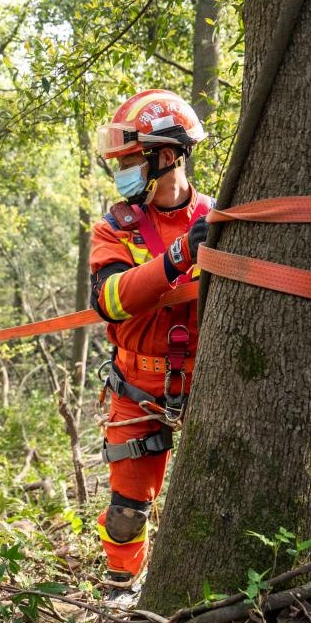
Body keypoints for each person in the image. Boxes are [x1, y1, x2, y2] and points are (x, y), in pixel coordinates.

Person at [89, 90, 212, 589]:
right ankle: (120, 591)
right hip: (138, 385)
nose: (120, 173)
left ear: (166, 156)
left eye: (128, 161)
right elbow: (111, 299)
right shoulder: (115, 229)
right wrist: (179, 256)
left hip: (211, 378)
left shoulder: (216, 218)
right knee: (126, 512)